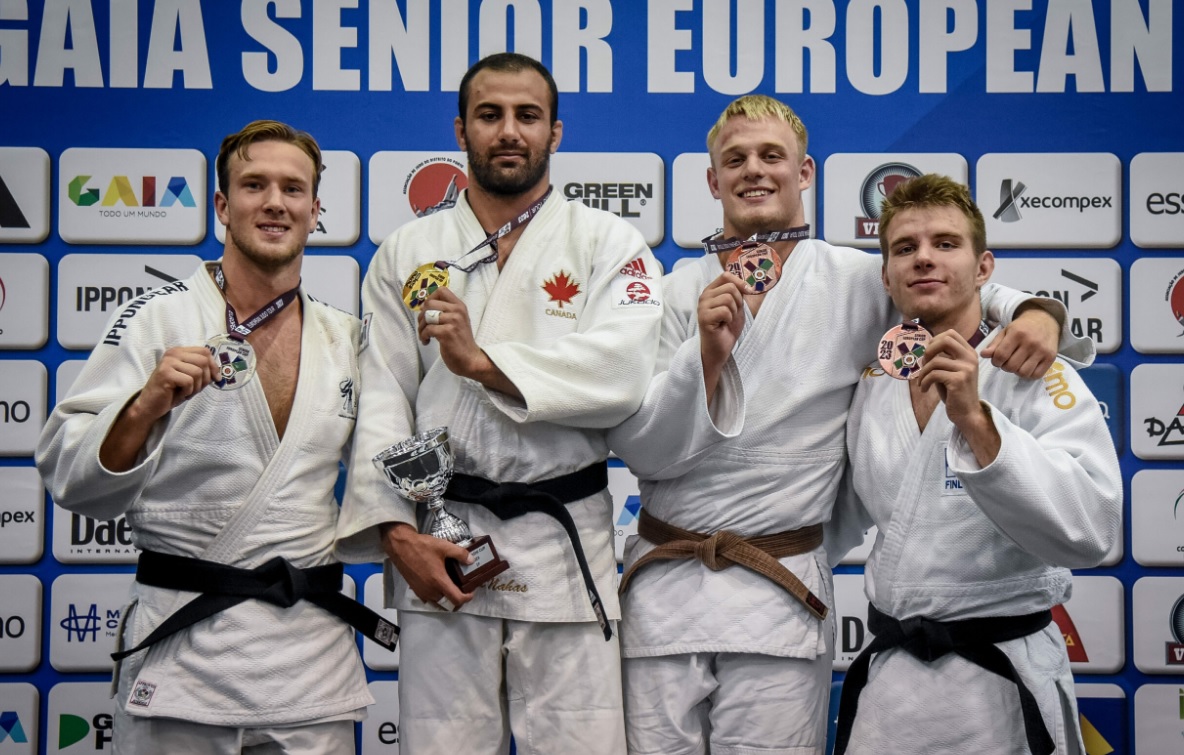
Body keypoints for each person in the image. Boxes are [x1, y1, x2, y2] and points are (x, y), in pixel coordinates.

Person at [607, 96, 1091, 755]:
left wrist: (1034, 310)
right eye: (736, 159)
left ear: (804, 172)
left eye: (772, 155)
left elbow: (947, 285)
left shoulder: (858, 280)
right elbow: (644, 451)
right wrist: (707, 358)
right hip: (664, 588)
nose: (754, 170)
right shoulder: (673, 293)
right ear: (713, 181)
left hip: (778, 589)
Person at [334, 53, 663, 754]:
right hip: (443, 542)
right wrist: (396, 534)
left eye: (527, 115)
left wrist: (481, 363)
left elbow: (624, 372)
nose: (509, 131)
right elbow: (383, 397)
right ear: (461, 130)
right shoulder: (409, 251)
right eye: (489, 115)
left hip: (562, 540)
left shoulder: (609, 243)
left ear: (555, 132)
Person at [36, 120, 386, 754]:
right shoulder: (157, 320)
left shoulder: (347, 339)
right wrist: (144, 406)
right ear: (223, 206)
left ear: (315, 212)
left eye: (293, 189)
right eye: (254, 186)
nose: (274, 202)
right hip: (185, 648)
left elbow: (383, 469)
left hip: (309, 657)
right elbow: (69, 476)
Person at [828, 174, 1121, 754]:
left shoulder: (1038, 375)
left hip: (1001, 682)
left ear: (984, 268)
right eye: (905, 248)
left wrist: (975, 420)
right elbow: (831, 518)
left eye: (946, 243)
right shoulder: (873, 385)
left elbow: (1093, 531)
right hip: (893, 689)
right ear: (886, 276)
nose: (924, 258)